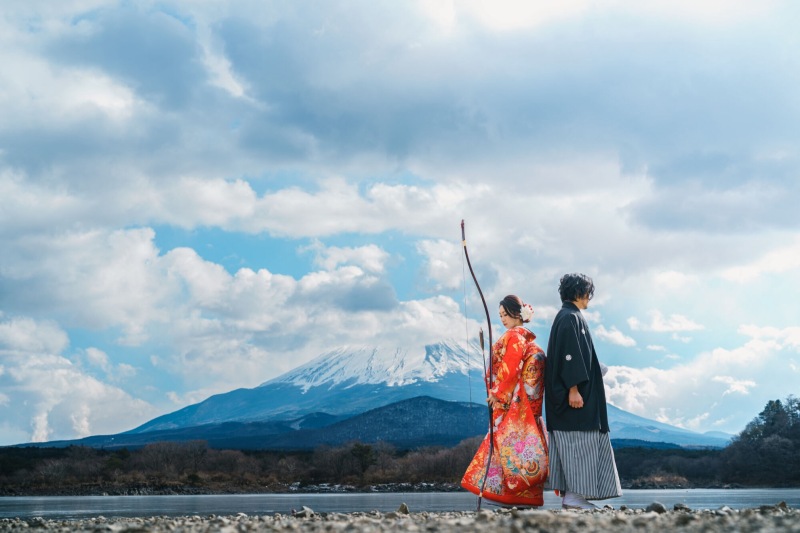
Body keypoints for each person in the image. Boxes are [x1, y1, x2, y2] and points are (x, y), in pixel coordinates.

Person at [461, 295, 549, 507]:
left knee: (505, 444)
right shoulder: (526, 340)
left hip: (515, 403)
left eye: (505, 314)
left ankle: (503, 495)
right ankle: (525, 496)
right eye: (499, 315)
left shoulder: (515, 337)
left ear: (516, 313)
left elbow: (510, 367)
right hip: (529, 403)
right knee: (524, 446)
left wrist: (498, 393)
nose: (502, 319)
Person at [544, 273, 622, 510]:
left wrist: (595, 369)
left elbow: (577, 356)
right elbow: (570, 357)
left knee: (575, 447)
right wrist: (573, 388)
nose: (589, 298)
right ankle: (575, 498)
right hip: (574, 399)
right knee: (578, 446)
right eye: (588, 293)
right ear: (579, 293)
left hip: (572, 396)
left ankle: (574, 497)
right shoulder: (569, 318)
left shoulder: (568, 317)